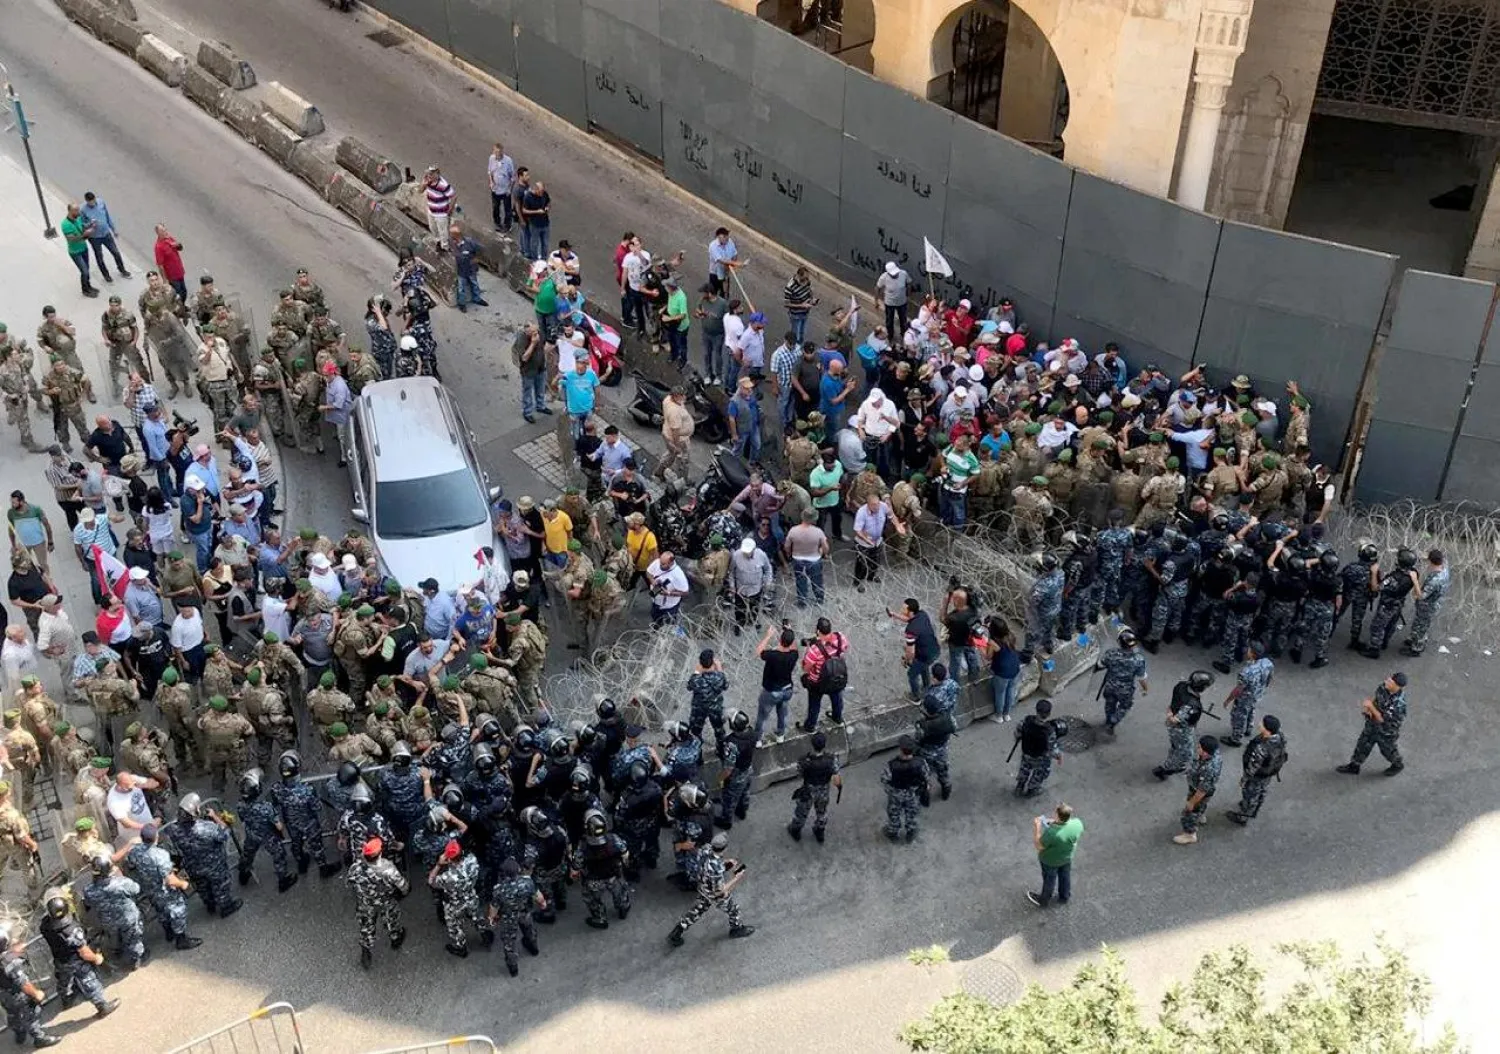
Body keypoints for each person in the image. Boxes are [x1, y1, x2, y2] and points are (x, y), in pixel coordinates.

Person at [668, 831, 753, 946]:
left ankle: (678, 931)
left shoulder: (706, 849)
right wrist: (737, 878)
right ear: (724, 848)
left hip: (703, 886)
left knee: (697, 910)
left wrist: (726, 863)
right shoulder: (717, 869)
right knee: (733, 910)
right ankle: (736, 929)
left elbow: (709, 862)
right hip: (714, 893)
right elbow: (720, 890)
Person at [349, 836, 410, 968]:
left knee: (366, 925)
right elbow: (402, 885)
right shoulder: (387, 868)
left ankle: (366, 949)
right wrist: (404, 892)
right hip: (385, 901)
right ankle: (395, 938)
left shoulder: (355, 867)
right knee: (391, 919)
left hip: (365, 902)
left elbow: (350, 883)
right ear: (380, 853)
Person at [1337, 672, 1409, 776]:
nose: (1386, 681)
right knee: (1362, 744)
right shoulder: (1384, 687)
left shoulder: (1398, 704)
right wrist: (1369, 709)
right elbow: (1377, 698)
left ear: (1397, 686)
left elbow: (1382, 720)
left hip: (1386, 731)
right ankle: (1354, 766)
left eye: (1390, 681)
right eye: (1388, 679)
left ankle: (1397, 764)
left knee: (1388, 751)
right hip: (1372, 724)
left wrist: (1371, 707)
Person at [0, 928, 61, 1047]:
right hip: (17, 994)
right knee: (30, 1013)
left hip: (3, 995)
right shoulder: (10, 963)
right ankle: (39, 1038)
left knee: (13, 1014)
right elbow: (22, 983)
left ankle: (19, 1032)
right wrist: (36, 993)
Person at [1227, 715, 1286, 825]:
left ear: (1267, 730)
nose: (1259, 724)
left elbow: (1253, 767)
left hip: (1256, 776)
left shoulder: (1262, 748)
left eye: (1262, 724)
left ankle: (1243, 817)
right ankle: (1256, 807)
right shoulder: (1280, 737)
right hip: (1268, 772)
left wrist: (1244, 779)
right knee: (1262, 790)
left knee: (1250, 794)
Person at [787, 731, 840, 843]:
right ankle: (819, 831)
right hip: (824, 789)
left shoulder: (805, 761)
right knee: (822, 812)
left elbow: (799, 773)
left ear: (812, 744)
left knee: (801, 813)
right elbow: (836, 772)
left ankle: (795, 831)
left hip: (809, 790)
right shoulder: (831, 759)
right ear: (824, 745)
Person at [1026, 803, 1083, 908]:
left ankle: (1043, 900)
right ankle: (1064, 896)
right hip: (1067, 857)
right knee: (1065, 876)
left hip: (1050, 861)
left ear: (1057, 815)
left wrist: (1037, 828)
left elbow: (1039, 846)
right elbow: (1069, 832)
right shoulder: (1077, 824)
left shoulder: (1052, 833)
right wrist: (1055, 822)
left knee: (1049, 880)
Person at [800, 618, 850, 732]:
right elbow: (845, 649)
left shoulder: (814, 650)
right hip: (836, 677)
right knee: (837, 698)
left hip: (818, 682)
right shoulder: (840, 637)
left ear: (818, 631)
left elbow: (805, 668)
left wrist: (808, 648)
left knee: (814, 705)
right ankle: (837, 717)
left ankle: (810, 726)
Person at [1096, 627, 1149, 734]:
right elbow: (1142, 677)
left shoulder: (1111, 653)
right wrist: (1145, 689)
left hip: (1110, 685)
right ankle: (1113, 721)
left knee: (1109, 704)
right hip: (1125, 689)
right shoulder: (1138, 659)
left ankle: (1108, 720)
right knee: (1125, 706)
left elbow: (1100, 665)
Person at [1173, 735, 1223, 845]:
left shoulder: (1209, 768)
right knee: (1201, 805)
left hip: (1199, 791)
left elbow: (1202, 791)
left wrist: (1192, 802)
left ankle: (1189, 834)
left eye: (1200, 747)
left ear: (1205, 752)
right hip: (1203, 787)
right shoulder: (1214, 754)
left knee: (1189, 811)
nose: (1197, 748)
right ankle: (1200, 815)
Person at [881, 736, 928, 842]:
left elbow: (884, 779)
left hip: (896, 793)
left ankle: (893, 832)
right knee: (912, 812)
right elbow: (926, 775)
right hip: (913, 792)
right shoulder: (920, 762)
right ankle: (911, 833)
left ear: (901, 750)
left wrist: (889, 790)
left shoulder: (891, 765)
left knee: (894, 813)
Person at [80, 192, 130, 281]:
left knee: (116, 252)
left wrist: (113, 229)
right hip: (94, 238)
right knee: (99, 257)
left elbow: (107, 216)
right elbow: (82, 225)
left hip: (106, 234)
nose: (92, 203)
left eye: (93, 201)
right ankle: (106, 275)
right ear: (87, 201)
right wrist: (90, 223)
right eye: (90, 202)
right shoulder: (83, 210)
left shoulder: (101, 202)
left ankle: (122, 269)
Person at [60, 203, 100, 297]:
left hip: (83, 248)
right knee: (84, 271)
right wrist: (85, 234)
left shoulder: (78, 218)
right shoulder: (65, 224)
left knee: (87, 268)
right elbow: (71, 239)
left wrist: (90, 224)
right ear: (70, 211)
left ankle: (89, 286)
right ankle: (85, 290)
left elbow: (82, 226)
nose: (78, 212)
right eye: (76, 210)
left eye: (78, 209)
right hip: (75, 252)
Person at [645, 551, 690, 628]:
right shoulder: (657, 562)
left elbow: (685, 592)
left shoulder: (678, 574)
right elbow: (648, 572)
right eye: (660, 562)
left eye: (663, 564)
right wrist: (652, 581)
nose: (660, 565)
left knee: (669, 625)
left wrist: (668, 593)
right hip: (656, 602)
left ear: (671, 563)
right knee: (655, 619)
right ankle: (656, 629)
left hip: (669, 607)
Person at [561, 358, 600, 441]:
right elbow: (561, 389)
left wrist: (596, 404)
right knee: (576, 431)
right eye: (578, 365)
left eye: (582, 366)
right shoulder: (568, 376)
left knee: (588, 428)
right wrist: (566, 405)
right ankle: (578, 444)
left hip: (587, 408)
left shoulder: (591, 374)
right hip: (574, 410)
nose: (580, 368)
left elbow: (597, 389)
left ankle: (586, 442)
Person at [487, 142, 517, 231]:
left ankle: (507, 225)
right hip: (495, 189)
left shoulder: (508, 161)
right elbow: (490, 171)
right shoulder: (491, 158)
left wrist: (509, 189)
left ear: (502, 152)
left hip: (505, 190)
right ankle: (497, 222)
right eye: (495, 152)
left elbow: (513, 177)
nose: (496, 155)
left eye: (498, 153)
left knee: (507, 209)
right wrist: (491, 182)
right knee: (495, 207)